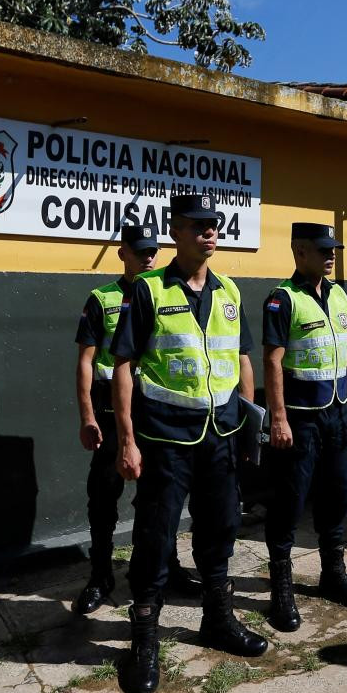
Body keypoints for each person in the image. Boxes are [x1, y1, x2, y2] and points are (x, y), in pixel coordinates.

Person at [110, 195, 268, 693]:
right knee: (155, 537)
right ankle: (144, 639)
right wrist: (127, 441)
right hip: (165, 441)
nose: (209, 232)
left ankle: (216, 621)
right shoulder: (149, 289)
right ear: (175, 232)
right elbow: (123, 367)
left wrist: (248, 420)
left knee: (221, 528)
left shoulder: (230, 290)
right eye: (198, 226)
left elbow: (242, 359)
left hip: (220, 436)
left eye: (214, 225)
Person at [72, 225, 201, 616]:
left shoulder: (167, 291)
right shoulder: (102, 299)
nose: (148, 258)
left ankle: (168, 565)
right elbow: (85, 362)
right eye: (140, 252)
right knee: (104, 497)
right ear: (121, 253)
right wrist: (87, 416)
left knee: (163, 498)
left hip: (154, 418)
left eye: (153, 251)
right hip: (112, 419)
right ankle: (100, 575)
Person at [261, 222, 347, 633]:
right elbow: (272, 361)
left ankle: (333, 573)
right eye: (323, 249)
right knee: (289, 501)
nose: (331, 255)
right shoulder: (282, 298)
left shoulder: (339, 294)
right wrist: (277, 417)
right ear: (299, 251)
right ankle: (282, 588)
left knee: (337, 494)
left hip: (338, 414)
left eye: (334, 249)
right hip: (300, 417)